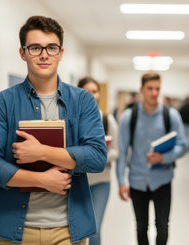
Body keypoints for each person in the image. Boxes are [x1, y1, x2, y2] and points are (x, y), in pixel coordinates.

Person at [0, 16, 107, 245]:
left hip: (69, 230)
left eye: (51, 47)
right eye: (35, 47)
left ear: (61, 53)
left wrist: (42, 152)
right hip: (15, 230)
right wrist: (42, 180)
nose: (44, 54)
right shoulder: (3, 103)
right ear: (23, 53)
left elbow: (97, 157)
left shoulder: (83, 101)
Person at [116, 72, 187, 245]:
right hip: (137, 180)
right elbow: (123, 151)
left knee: (162, 226)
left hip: (162, 179)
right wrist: (121, 181)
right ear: (141, 89)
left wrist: (163, 157)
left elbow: (183, 145)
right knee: (141, 227)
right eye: (150, 88)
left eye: (157, 89)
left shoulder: (171, 116)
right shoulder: (128, 118)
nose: (154, 93)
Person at [78, 77, 119, 245]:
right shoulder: (73, 120)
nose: (91, 95)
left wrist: (98, 156)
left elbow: (116, 151)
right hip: (77, 181)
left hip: (101, 181)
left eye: (94, 91)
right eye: (87, 91)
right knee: (78, 228)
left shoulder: (107, 120)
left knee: (94, 228)